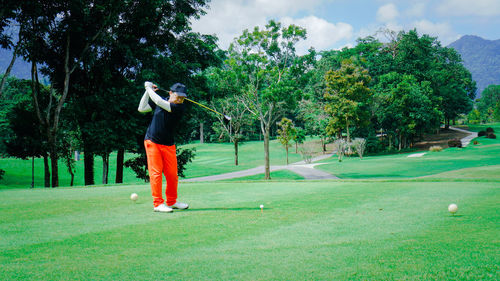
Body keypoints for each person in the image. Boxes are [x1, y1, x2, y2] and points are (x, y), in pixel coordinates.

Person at [138, 81, 189, 213]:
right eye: (178, 96)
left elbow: (159, 102)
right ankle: (158, 204)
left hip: (168, 144)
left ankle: (172, 201)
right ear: (170, 93)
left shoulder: (179, 107)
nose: (180, 100)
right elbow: (142, 108)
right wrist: (147, 91)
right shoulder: (162, 100)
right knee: (156, 174)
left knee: (172, 175)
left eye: (183, 98)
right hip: (152, 141)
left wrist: (148, 88)